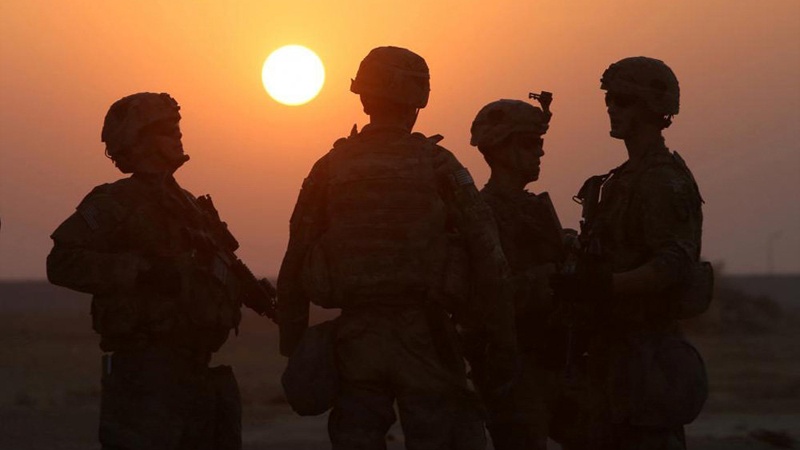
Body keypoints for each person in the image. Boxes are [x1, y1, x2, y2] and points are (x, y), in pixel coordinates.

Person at [277, 46, 517, 450]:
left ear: (365, 98)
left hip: (355, 341)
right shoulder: (441, 165)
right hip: (425, 338)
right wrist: (499, 343)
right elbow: (489, 255)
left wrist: (295, 347)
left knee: (356, 437)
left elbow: (294, 260)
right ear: (418, 99)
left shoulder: (329, 167)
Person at [47, 92, 275, 450]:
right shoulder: (116, 202)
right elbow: (61, 262)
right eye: (167, 130)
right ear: (139, 140)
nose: (178, 136)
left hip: (197, 374)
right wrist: (140, 271)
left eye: (177, 128)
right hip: (147, 375)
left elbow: (221, 268)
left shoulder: (190, 207)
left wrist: (257, 297)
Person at [553, 57, 708, 450]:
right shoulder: (621, 180)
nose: (611, 108)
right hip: (608, 351)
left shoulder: (662, 180)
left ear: (652, 108)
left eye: (622, 100)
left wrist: (604, 285)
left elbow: (673, 264)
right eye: (609, 99)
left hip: (645, 355)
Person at [468, 95, 566, 450]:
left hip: (555, 357)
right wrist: (552, 277)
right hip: (512, 363)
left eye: (539, 143)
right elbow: (485, 299)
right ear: (499, 149)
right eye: (529, 143)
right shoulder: (480, 215)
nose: (540, 152)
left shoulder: (533, 209)